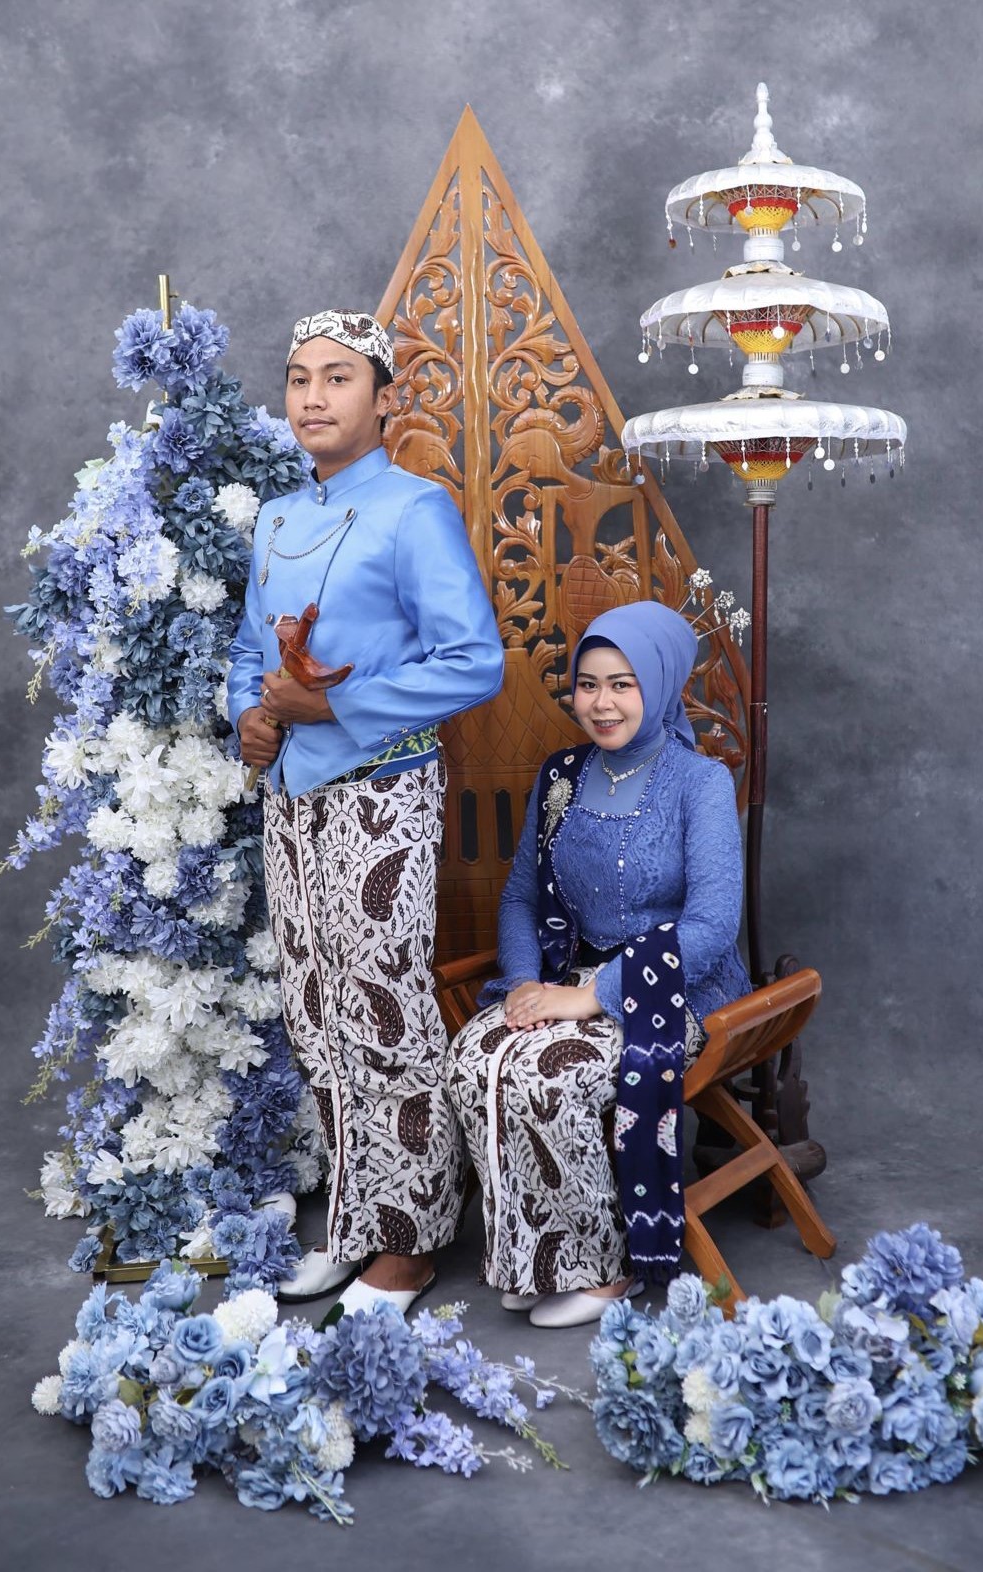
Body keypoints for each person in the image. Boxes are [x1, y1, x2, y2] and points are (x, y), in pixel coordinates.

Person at [228, 309, 504, 1314]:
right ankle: (354, 1222)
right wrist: (249, 718)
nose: (312, 397)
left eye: (337, 378)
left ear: (385, 399)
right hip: (292, 800)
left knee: (383, 1007)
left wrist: (336, 706)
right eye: (298, 378)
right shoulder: (276, 519)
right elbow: (248, 654)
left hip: (382, 791)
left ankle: (410, 1240)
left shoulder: (415, 509)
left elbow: (474, 661)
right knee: (313, 1012)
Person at [444, 600, 751, 1327]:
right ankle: (535, 1258)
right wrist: (526, 982)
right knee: (474, 1059)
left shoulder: (700, 783)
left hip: (678, 989)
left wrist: (591, 998)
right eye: (588, 684)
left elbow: (712, 926)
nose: (601, 703)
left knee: (551, 1074)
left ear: (660, 684)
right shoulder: (562, 776)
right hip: (565, 976)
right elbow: (521, 897)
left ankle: (605, 1269)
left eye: (622, 684)